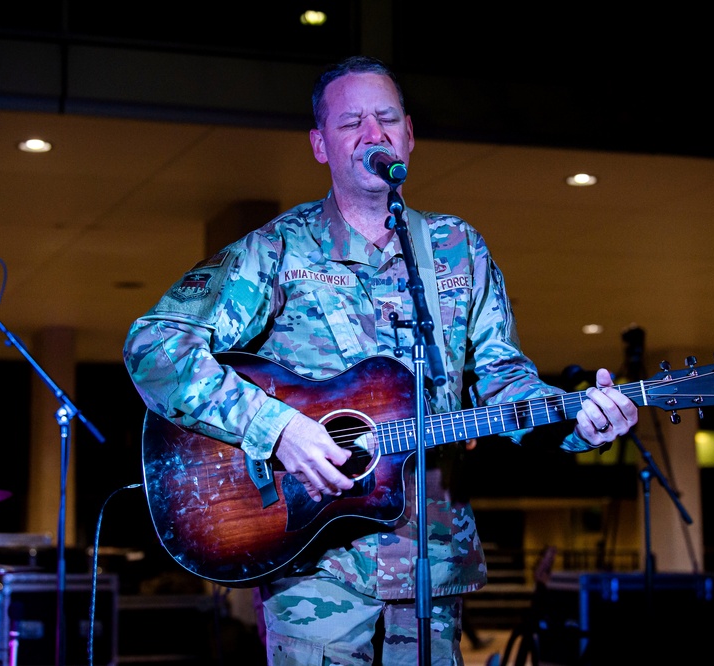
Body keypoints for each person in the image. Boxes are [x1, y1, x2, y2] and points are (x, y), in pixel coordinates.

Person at [124, 55, 638, 665]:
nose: (373, 134)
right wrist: (278, 428)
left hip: (431, 566)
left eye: (386, 118)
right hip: (313, 566)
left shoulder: (457, 249)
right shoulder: (275, 252)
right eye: (350, 123)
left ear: (410, 134)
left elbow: (503, 384)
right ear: (320, 145)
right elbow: (154, 346)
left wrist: (575, 422)